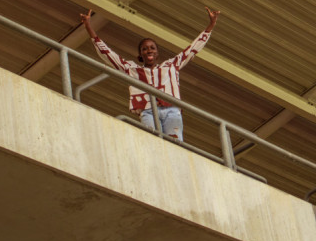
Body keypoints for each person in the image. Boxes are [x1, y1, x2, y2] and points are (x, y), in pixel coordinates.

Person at [80, 7, 220, 141]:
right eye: (145, 49)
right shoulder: (132, 69)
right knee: (151, 142)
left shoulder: (171, 65)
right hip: (147, 111)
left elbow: (192, 49)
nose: (149, 51)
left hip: (172, 110)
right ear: (140, 55)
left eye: (152, 48)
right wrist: (89, 28)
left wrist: (211, 25)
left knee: (175, 145)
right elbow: (108, 55)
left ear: (157, 53)